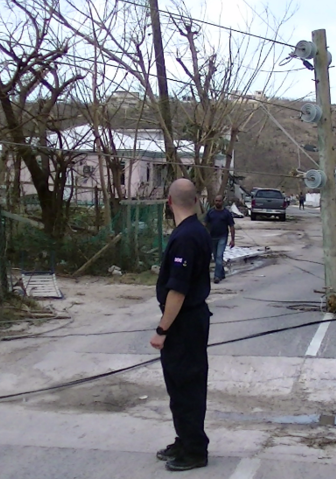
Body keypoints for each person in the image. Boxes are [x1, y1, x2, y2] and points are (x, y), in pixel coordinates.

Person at [150, 178, 212, 472]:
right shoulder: (191, 231)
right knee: (178, 384)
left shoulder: (187, 237)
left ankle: (195, 450)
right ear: (197, 201)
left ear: (169, 202)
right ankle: (185, 439)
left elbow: (178, 290)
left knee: (186, 385)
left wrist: (162, 330)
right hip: (187, 320)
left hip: (185, 322)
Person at [204, 195, 235, 284]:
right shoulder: (210, 212)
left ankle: (217, 276)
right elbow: (205, 224)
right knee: (216, 256)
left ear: (222, 202)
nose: (217, 202)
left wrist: (232, 240)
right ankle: (221, 273)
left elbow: (232, 226)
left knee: (219, 256)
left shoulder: (226, 213)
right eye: (216, 201)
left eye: (219, 201)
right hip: (212, 237)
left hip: (222, 237)